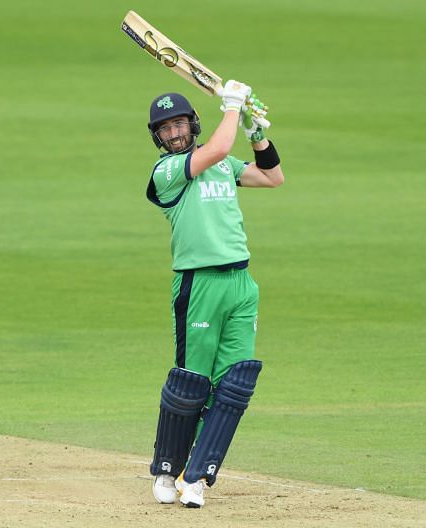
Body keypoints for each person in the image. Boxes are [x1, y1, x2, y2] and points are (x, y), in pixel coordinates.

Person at [144, 82, 284, 508]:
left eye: (180, 124)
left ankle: (197, 476)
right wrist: (233, 107)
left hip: (240, 283)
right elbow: (219, 150)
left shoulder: (222, 163)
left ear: (192, 123)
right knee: (192, 384)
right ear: (158, 137)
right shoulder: (166, 172)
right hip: (198, 283)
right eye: (165, 129)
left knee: (235, 382)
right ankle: (168, 469)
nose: (174, 134)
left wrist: (257, 132)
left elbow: (272, 177)